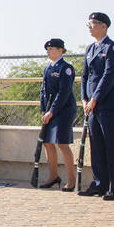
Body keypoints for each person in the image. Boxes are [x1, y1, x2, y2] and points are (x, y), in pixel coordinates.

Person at [80, 12, 114, 200]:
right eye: (88, 24)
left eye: (93, 23)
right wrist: (84, 99)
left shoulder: (112, 47)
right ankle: (99, 184)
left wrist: (95, 98)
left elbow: (108, 76)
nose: (89, 27)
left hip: (106, 104)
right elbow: (84, 76)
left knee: (111, 146)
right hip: (91, 106)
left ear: (104, 26)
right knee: (96, 146)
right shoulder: (90, 48)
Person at [38, 38, 77, 190]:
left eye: (51, 48)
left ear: (60, 50)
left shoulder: (66, 68)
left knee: (62, 143)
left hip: (63, 110)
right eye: (47, 49)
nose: (48, 51)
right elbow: (43, 90)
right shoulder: (48, 68)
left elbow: (64, 92)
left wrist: (52, 111)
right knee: (47, 143)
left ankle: (72, 180)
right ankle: (53, 176)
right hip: (49, 111)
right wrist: (43, 110)